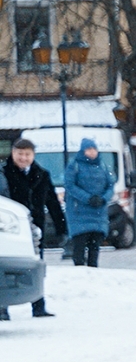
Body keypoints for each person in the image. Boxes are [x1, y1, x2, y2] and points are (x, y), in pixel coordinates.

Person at [4, 136, 62, 318]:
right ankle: (1, 308)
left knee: (36, 267)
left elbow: (52, 201)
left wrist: (61, 228)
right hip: (8, 228)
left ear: (33, 155)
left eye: (27, 154)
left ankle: (38, 305)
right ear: (13, 153)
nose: (23, 158)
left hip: (34, 229)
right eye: (20, 154)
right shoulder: (2, 173)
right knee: (6, 266)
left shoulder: (42, 174)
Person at [61, 138, 112, 268]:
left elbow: (111, 185)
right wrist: (88, 198)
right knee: (79, 246)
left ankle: (93, 272)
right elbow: (70, 186)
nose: (92, 152)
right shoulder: (74, 165)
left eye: (94, 149)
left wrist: (103, 198)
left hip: (98, 214)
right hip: (79, 214)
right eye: (89, 149)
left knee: (95, 248)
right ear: (83, 151)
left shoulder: (103, 166)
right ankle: (80, 274)